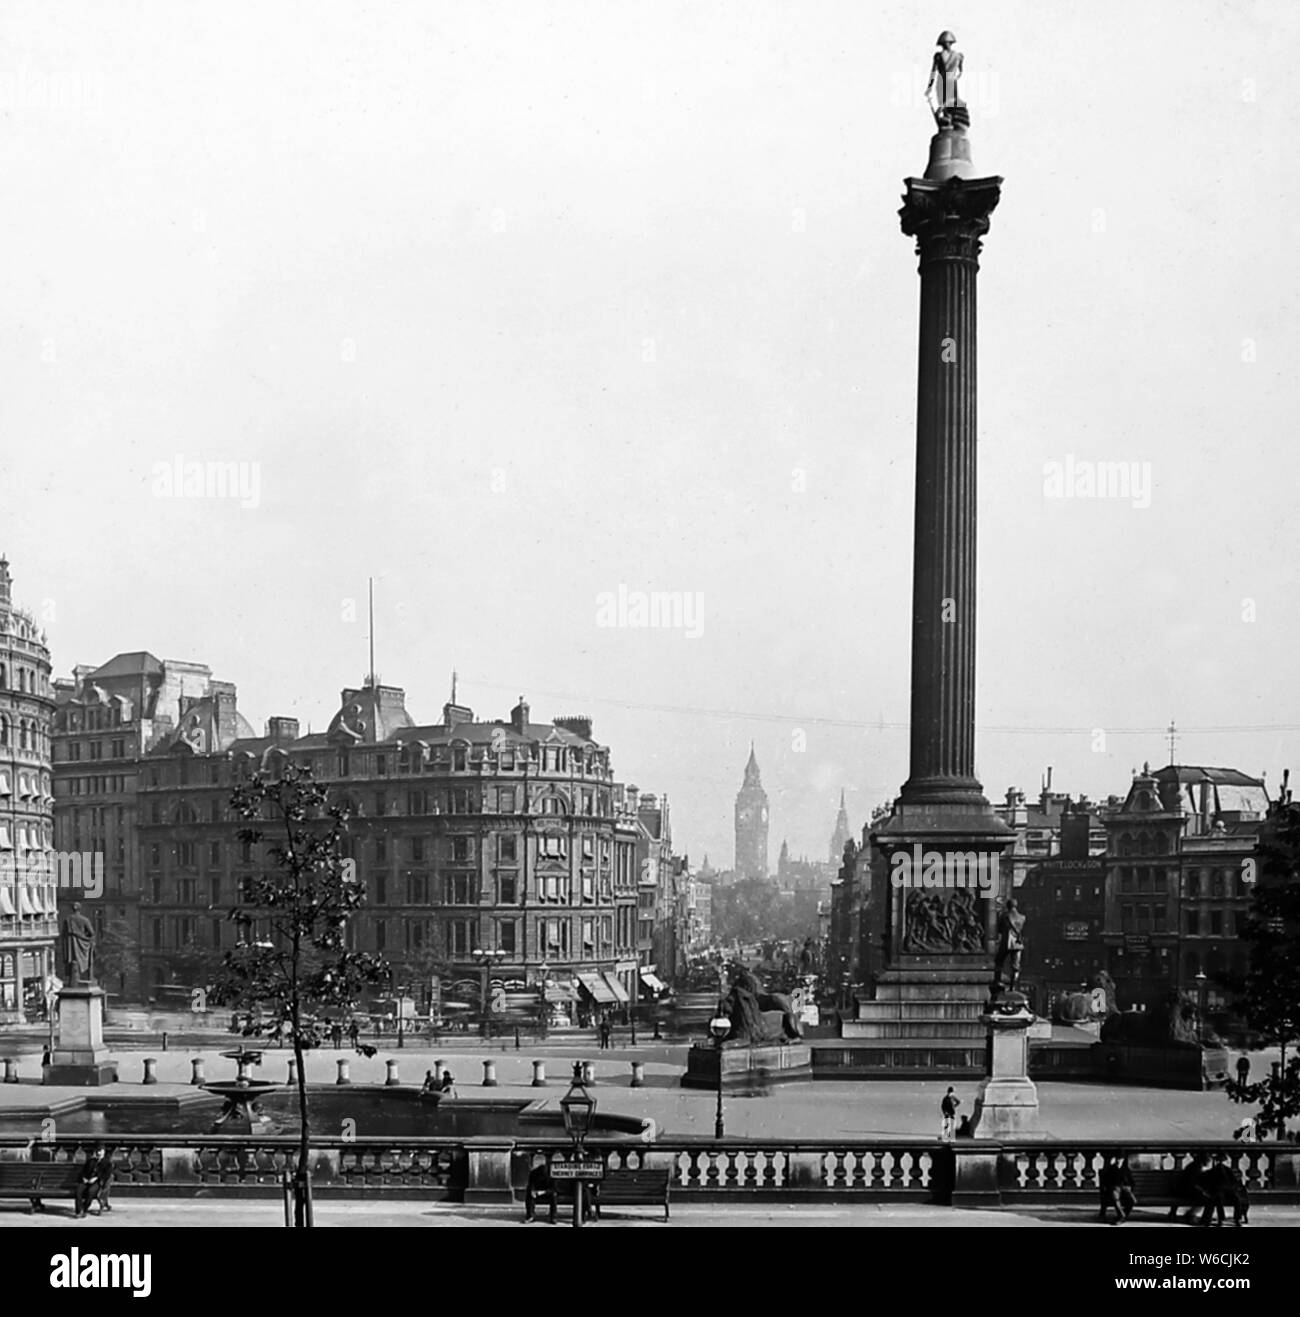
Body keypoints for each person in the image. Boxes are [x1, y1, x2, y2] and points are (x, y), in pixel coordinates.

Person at [74, 1145, 113, 1218]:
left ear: (104, 1152)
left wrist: (96, 1178)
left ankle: (84, 1209)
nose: (98, 1153)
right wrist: (84, 1178)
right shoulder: (91, 1161)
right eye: (97, 1151)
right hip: (86, 1181)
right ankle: (79, 1211)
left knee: (90, 1192)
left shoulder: (107, 1163)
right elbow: (83, 1171)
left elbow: (106, 1175)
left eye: (100, 1151)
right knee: (78, 1191)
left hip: (96, 1182)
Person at [1098, 1152, 1136, 1223]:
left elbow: (1131, 1180)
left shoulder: (1126, 1169)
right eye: (1117, 1159)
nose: (1119, 1160)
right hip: (1115, 1188)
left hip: (1125, 1188)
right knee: (1115, 1198)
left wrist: (1130, 1187)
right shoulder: (1111, 1168)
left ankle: (1123, 1214)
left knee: (1133, 1201)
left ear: (1123, 1160)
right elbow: (1105, 1180)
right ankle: (1121, 1216)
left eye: (1120, 1159)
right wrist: (1108, 1187)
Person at [523, 1154, 556, 1223]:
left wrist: (542, 1192)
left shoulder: (551, 1175)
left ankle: (553, 1217)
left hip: (546, 1192)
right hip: (536, 1191)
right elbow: (531, 1184)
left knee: (554, 1195)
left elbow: (553, 1189)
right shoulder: (533, 1174)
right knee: (529, 1194)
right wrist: (532, 1191)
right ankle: (530, 1215)